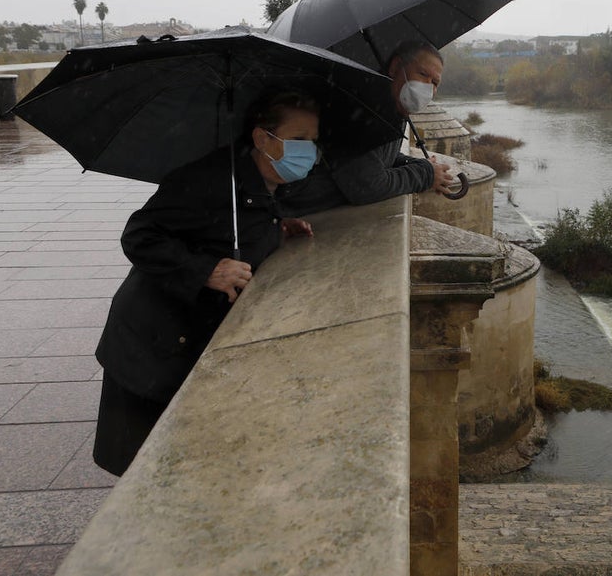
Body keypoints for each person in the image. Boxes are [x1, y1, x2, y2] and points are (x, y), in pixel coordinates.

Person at [92, 90, 321, 476]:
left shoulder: (261, 179)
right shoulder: (209, 178)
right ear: (263, 138)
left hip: (185, 337)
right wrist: (206, 270)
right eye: (298, 140)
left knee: (178, 462)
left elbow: (225, 229)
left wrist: (276, 228)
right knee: (146, 467)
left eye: (313, 141)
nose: (309, 151)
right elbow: (140, 235)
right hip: (153, 344)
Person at [282, 40, 455, 213]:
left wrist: (422, 165)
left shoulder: (392, 109)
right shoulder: (362, 110)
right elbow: (368, 187)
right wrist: (425, 174)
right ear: (395, 67)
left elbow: (380, 158)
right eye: (423, 74)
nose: (428, 87)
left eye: (435, 82)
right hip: (295, 209)